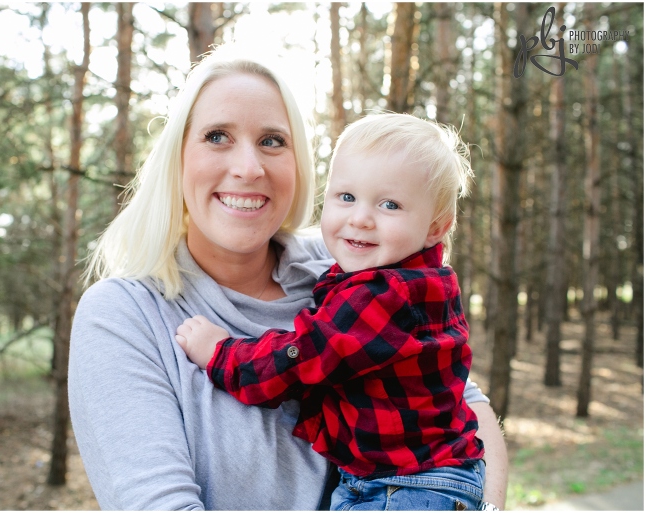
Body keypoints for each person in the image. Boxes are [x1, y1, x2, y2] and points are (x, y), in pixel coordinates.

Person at [68, 44, 508, 510]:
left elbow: (464, 403)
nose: (248, 168)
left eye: (272, 141)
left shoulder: (347, 268)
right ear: (176, 158)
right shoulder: (125, 314)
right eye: (217, 136)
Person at [176, 113, 488, 511]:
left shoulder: (382, 295)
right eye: (346, 197)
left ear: (435, 228)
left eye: (390, 204)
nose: (360, 218)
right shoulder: (420, 279)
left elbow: (301, 359)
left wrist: (222, 354)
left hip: (404, 486)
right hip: (427, 475)